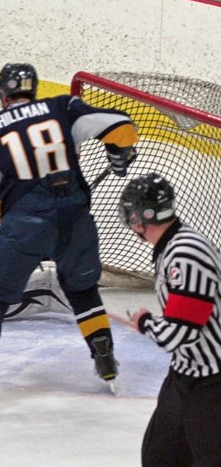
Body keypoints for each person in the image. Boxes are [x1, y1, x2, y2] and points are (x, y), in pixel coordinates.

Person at [0, 62, 139, 416]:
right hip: (76, 219)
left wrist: (17, 227)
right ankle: (104, 358)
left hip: (25, 225)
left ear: (1, 94)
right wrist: (119, 154)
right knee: (81, 288)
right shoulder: (63, 107)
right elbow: (122, 126)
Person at [120, 173, 221, 467]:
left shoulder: (187, 254)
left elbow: (180, 332)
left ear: (141, 216)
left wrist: (144, 323)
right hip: (185, 374)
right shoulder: (173, 245)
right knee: (159, 456)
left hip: (212, 383)